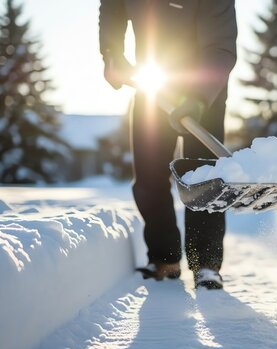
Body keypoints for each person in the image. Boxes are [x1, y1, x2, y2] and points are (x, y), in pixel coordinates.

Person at [98, 0, 237, 289]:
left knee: (205, 175)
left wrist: (198, 98)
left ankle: (206, 265)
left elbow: (221, 45)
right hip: (154, 83)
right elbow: (113, 7)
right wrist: (112, 52)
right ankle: (165, 259)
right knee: (149, 174)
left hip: (205, 87)